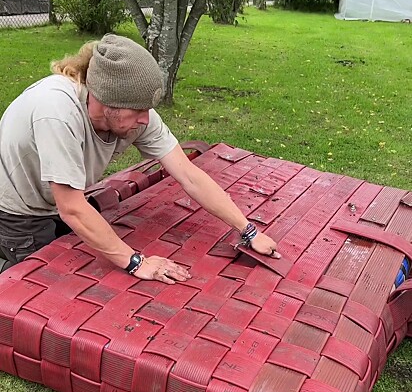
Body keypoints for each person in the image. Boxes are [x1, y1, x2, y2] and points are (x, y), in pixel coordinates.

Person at [0, 34, 280, 283]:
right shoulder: (57, 111)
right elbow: (71, 208)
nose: (146, 119)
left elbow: (189, 175)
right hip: (20, 214)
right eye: (137, 110)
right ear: (105, 100)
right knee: (36, 286)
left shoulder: (136, 117)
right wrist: (137, 262)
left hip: (57, 200)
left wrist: (249, 231)